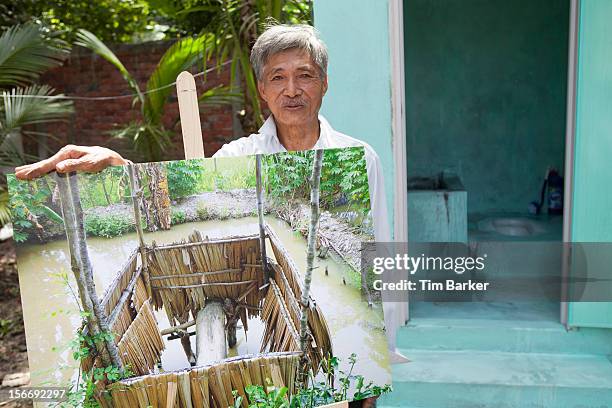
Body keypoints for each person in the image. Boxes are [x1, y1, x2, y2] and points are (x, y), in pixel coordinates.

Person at [15, 24, 406, 365]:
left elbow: (379, 264)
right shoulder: (239, 157)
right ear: (262, 90)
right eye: (277, 77)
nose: (292, 90)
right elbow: (179, 184)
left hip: (336, 338)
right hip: (267, 326)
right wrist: (119, 166)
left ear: (324, 83)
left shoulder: (358, 159)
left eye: (305, 75)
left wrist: (377, 365)